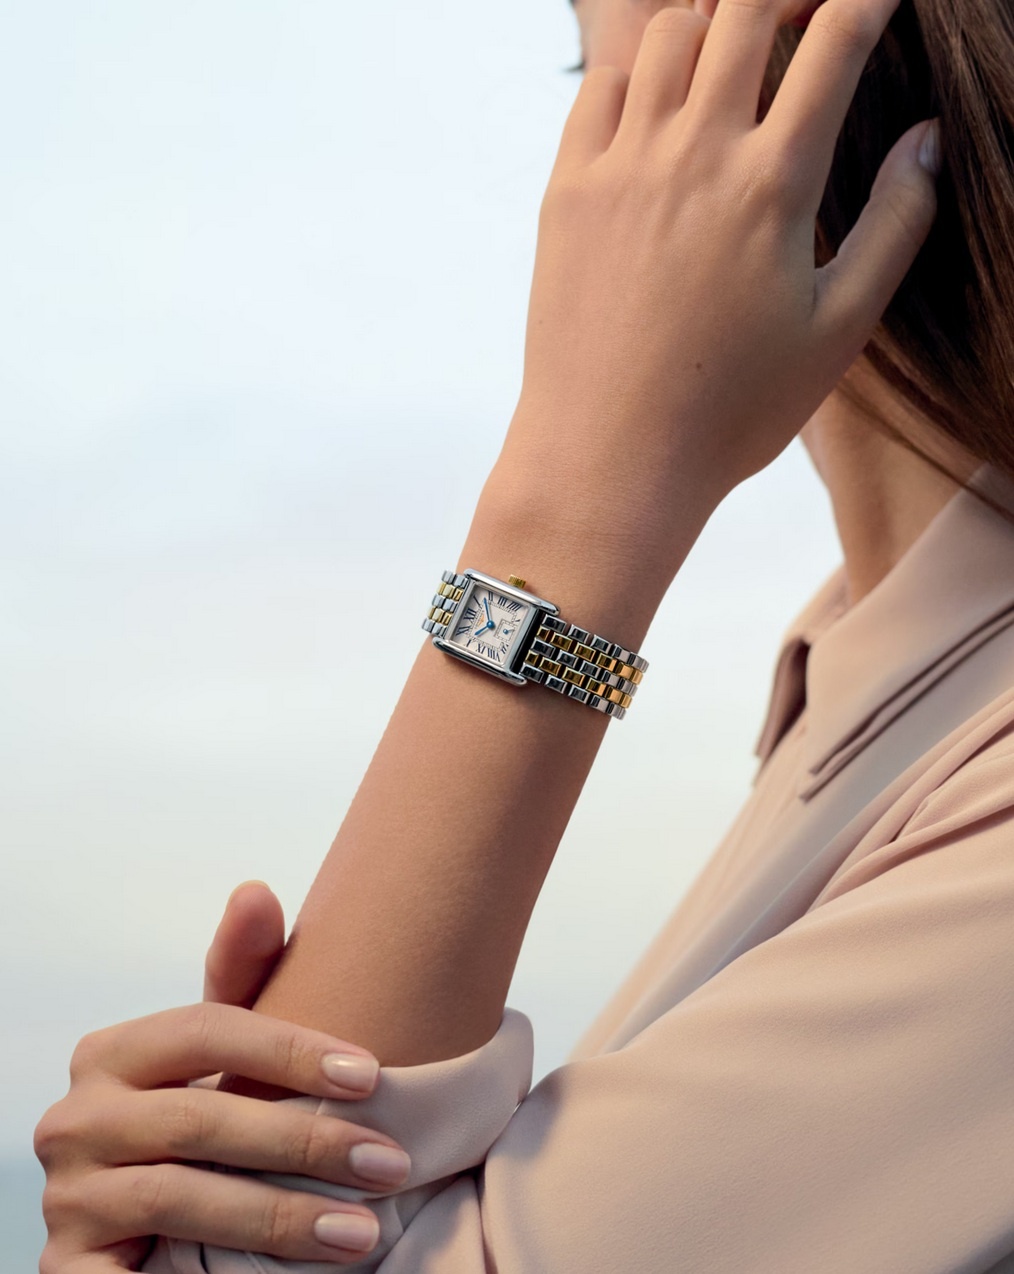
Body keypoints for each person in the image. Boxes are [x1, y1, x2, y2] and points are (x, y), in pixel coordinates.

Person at [33, 0, 1014, 1269]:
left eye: (613, 76)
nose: (587, 166)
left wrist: (580, 483)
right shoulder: (851, 667)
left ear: (777, 94)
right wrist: (191, 1173)